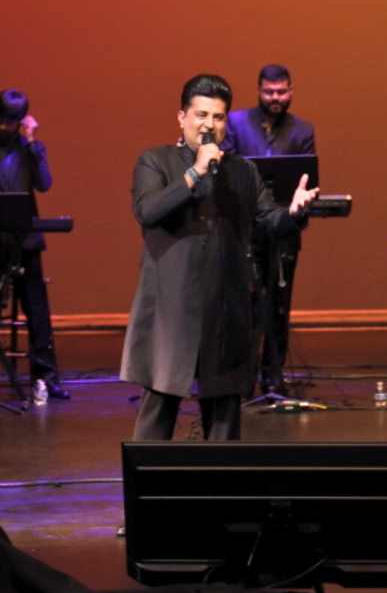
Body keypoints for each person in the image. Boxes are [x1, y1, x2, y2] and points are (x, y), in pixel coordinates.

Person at [120, 73, 319, 441]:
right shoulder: (155, 161)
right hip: (171, 309)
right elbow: (148, 210)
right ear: (182, 117)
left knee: (224, 415)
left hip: (225, 308)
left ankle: (221, 479)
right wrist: (195, 172)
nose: (209, 125)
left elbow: (269, 221)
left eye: (218, 117)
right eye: (201, 115)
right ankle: (147, 477)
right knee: (159, 407)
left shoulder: (242, 171)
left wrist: (293, 213)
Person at [0, 88, 68, 401]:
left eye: (13, 121)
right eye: (2, 120)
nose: (6, 126)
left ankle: (46, 375)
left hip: (25, 241)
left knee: (37, 310)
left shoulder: (30, 148)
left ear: (22, 120)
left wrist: (32, 143)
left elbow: (44, 183)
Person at [221, 64, 315, 395]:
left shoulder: (302, 129)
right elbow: (227, 170)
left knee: (279, 305)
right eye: (269, 92)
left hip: (284, 230)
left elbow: (307, 177)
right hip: (246, 230)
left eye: (281, 92)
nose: (275, 98)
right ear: (259, 91)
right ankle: (242, 378)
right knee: (246, 305)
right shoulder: (236, 123)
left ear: (291, 91)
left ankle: (273, 375)